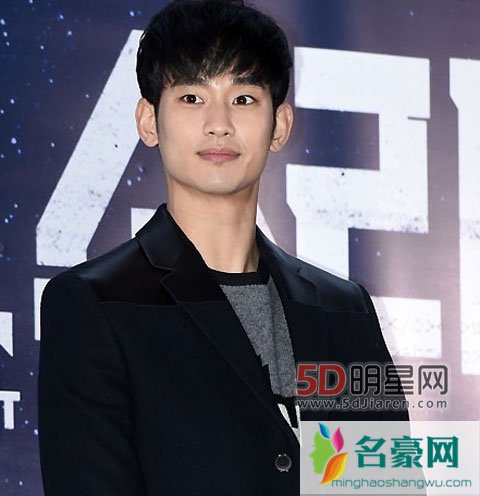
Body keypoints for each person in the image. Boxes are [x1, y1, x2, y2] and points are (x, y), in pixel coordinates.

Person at [37, 1, 409, 495]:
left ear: (280, 125)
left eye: (244, 98)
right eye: (192, 97)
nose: (219, 123)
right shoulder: (94, 304)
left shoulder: (343, 309)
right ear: (149, 121)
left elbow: (388, 483)